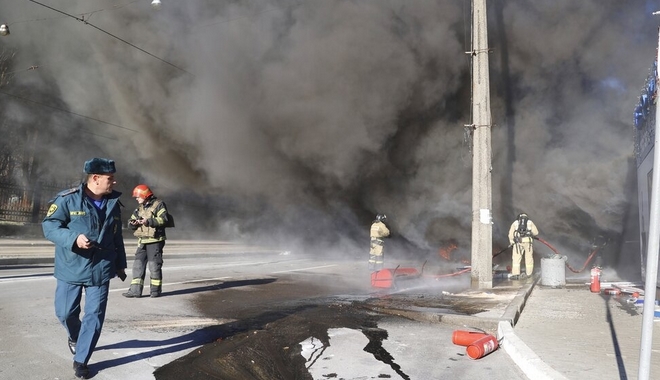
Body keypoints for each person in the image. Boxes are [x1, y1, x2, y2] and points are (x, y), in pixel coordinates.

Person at [42, 158, 127, 379]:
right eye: (110, 178)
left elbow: (117, 237)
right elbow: (49, 226)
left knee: (94, 316)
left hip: (101, 268)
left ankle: (81, 360)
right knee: (65, 312)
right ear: (95, 178)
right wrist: (73, 238)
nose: (114, 181)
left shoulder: (113, 203)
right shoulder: (67, 200)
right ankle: (75, 336)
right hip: (71, 266)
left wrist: (120, 265)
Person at [122, 184, 170, 298]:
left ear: (145, 195)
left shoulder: (159, 205)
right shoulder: (139, 208)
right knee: (137, 266)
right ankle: (135, 291)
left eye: (138, 197)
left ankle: (155, 291)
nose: (136, 199)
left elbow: (164, 219)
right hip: (143, 241)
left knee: (154, 266)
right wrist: (133, 223)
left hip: (155, 240)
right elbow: (131, 221)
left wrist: (148, 221)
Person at [507, 212, 539, 279]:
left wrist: (512, 242)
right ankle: (529, 274)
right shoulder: (530, 222)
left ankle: (516, 274)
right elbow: (536, 232)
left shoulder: (515, 223)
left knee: (516, 258)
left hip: (518, 243)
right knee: (529, 258)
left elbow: (510, 235)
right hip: (528, 243)